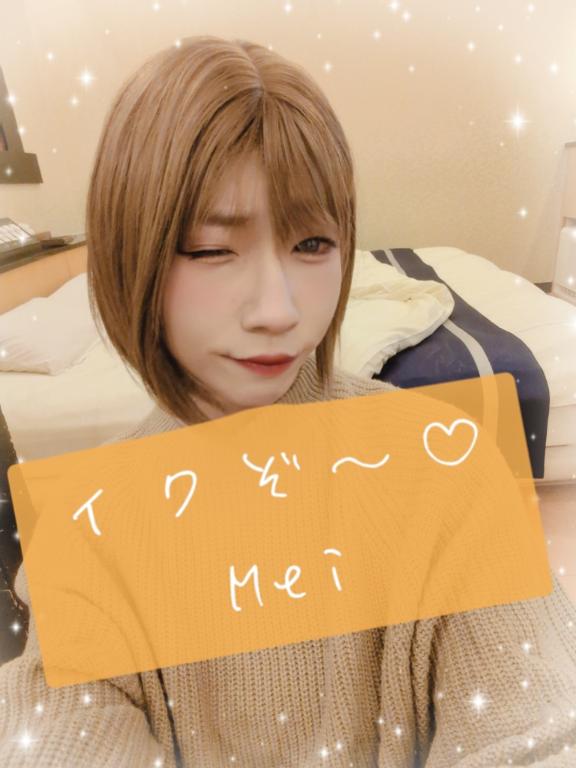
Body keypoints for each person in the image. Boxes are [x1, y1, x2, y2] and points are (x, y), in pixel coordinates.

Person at [1, 34, 576, 768]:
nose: (279, 310)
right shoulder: (90, 532)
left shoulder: (446, 464)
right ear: (129, 258)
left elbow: (537, 721)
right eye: (211, 249)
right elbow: (62, 731)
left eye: (312, 245)